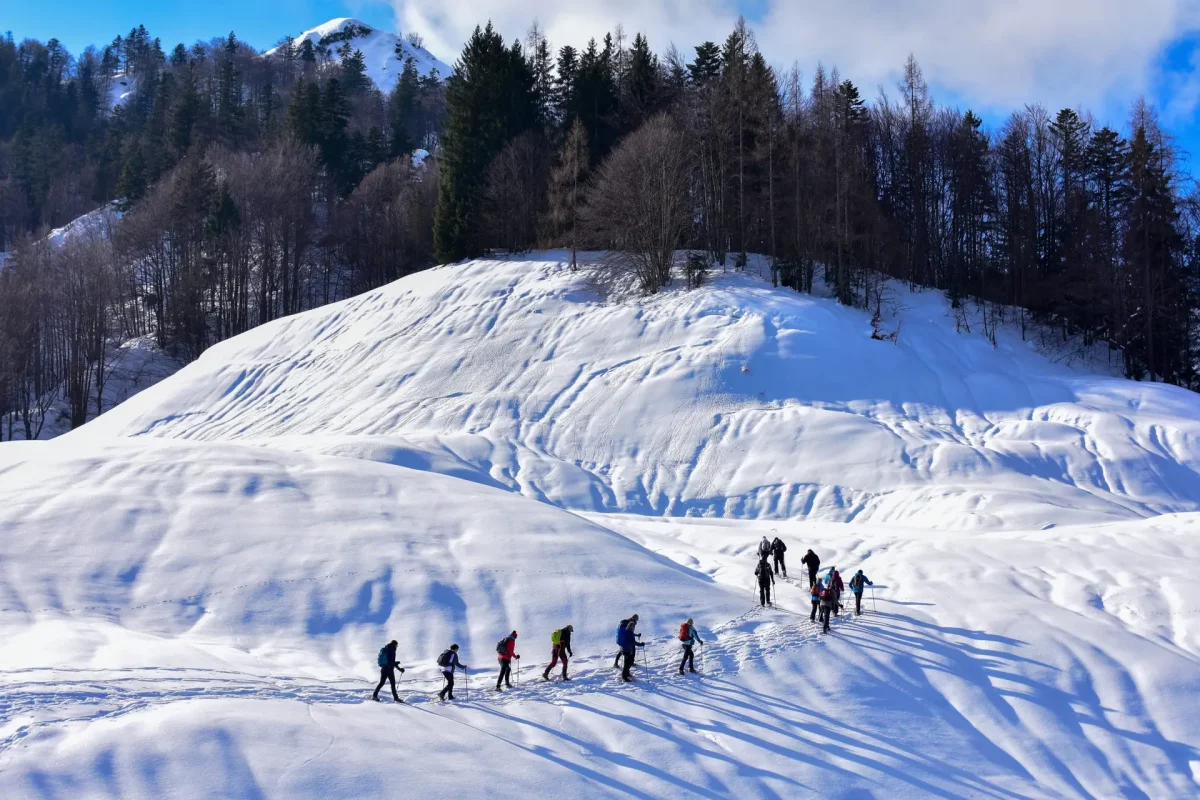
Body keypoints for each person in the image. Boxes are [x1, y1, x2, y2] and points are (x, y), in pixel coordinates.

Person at [617, 614, 645, 681]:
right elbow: (633, 642)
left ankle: (627, 674)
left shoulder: (629, 631)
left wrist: (637, 635)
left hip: (626, 649)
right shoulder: (629, 633)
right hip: (626, 650)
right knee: (627, 664)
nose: (634, 627)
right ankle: (624, 677)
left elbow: (632, 639)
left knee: (628, 662)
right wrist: (641, 644)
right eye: (633, 627)